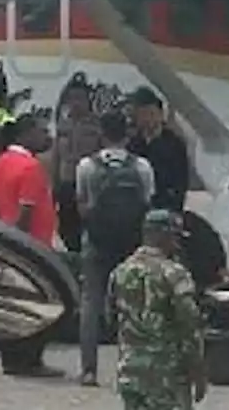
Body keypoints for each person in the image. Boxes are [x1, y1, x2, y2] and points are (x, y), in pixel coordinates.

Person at [77, 109, 156, 387]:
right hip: (131, 244)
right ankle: (131, 367)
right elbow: (147, 204)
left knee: (91, 303)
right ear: (127, 133)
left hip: (97, 242)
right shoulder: (142, 167)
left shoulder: (87, 166)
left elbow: (82, 206)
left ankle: (88, 370)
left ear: (102, 133)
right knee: (132, 306)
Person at [0, 112, 63, 378]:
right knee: (38, 304)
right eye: (42, 132)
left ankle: (11, 358)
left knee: (9, 305)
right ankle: (30, 360)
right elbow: (25, 213)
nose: (47, 137)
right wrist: (21, 246)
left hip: (3, 245)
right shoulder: (30, 168)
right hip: (32, 246)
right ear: (25, 134)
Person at [109, 209, 207, 410]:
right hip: (166, 375)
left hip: (130, 370)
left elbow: (110, 317)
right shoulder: (174, 273)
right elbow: (190, 326)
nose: (177, 243)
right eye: (175, 237)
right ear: (163, 236)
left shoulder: (120, 271)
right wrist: (198, 370)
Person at [53, 73, 104, 252]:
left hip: (89, 186)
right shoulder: (62, 125)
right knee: (66, 228)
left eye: (80, 98)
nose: (76, 103)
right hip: (67, 183)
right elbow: (56, 157)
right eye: (72, 98)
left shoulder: (97, 125)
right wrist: (54, 186)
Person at [126, 87, 190, 213]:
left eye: (150, 113)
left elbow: (181, 182)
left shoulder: (174, 144)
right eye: (141, 114)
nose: (146, 119)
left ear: (160, 115)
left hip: (165, 207)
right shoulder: (133, 145)